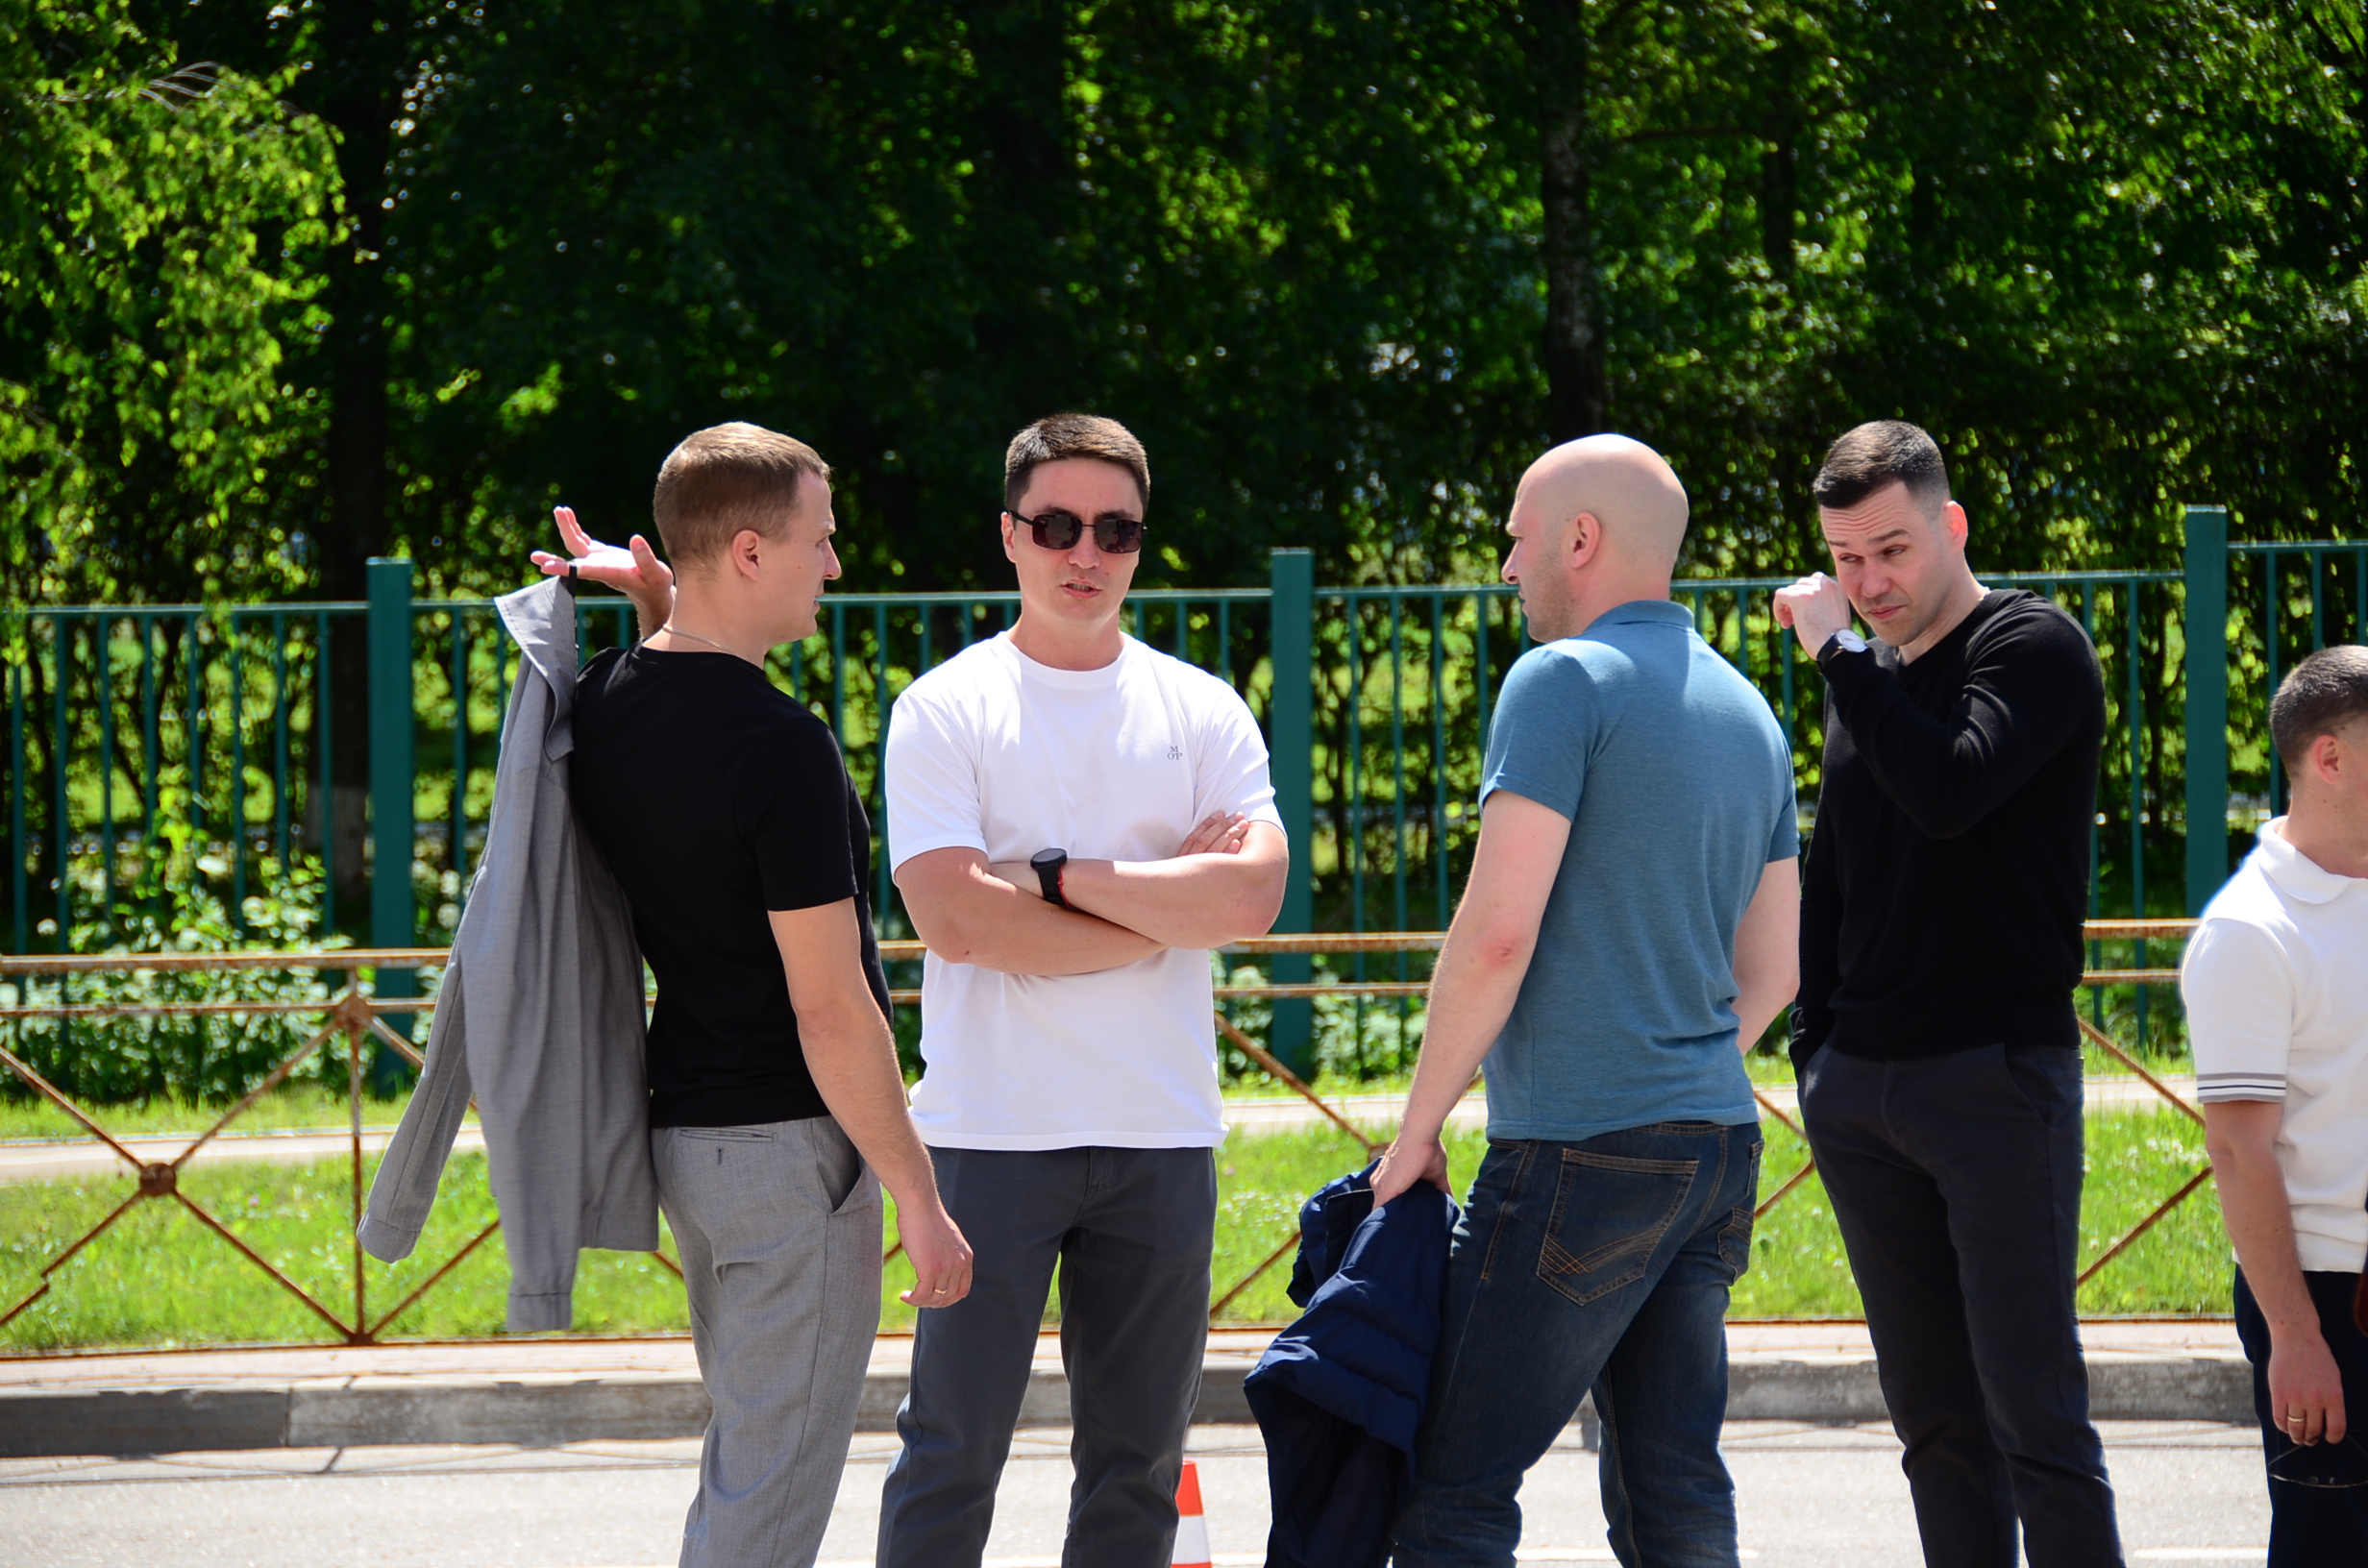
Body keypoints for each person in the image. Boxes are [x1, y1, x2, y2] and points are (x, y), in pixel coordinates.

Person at [540, 422, 973, 1568]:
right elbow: (829, 1007)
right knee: (767, 1503)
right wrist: (918, 1194)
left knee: (747, 1464)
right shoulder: (782, 749)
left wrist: (658, 602)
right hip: (789, 1154)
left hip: (692, 1140)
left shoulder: (605, 700)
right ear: (746, 552)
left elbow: (675, 713)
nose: (833, 563)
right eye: (816, 539)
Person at [1375, 433, 1802, 1567]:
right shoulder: (1748, 710)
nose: (1508, 567)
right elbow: (1778, 967)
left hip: (1577, 1149)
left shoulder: (1561, 681)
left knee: (1448, 1491)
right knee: (1673, 1493)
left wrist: (1415, 1131)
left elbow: (1495, 935)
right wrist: (1682, 1064)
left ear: (1579, 538)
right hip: (1714, 1144)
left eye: (1516, 540)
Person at [872, 412, 1289, 1567]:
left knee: (1138, 1466)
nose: (1085, 552)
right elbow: (957, 921)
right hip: (991, 1136)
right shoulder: (945, 706)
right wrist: (1163, 908)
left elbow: (1251, 898)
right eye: (1056, 525)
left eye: (1115, 529)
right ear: (1010, 534)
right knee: (950, 1451)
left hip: (1161, 1133)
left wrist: (1050, 880)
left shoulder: (1201, 707)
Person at [1772, 420, 2120, 1568]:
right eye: (1845, 558)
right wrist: (1816, 1051)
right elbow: (1837, 871)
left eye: (1891, 550)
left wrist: (1838, 659)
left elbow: (1952, 790)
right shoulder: (1866, 679)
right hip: (1858, 1089)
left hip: (1992, 1077)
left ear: (1951, 524)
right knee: (1933, 1425)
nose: (1868, 582)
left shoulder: (2031, 645)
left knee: (2034, 1417)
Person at [2185, 644, 2368, 1564]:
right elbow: (2238, 1152)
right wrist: (2295, 1336)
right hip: (2334, 1298)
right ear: (2330, 757)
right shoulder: (2252, 930)